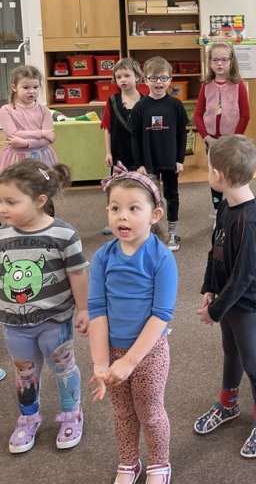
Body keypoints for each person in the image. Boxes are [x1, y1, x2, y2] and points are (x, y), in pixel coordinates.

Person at [89, 167, 177, 484]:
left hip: (148, 354)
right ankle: (129, 462)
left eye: (133, 208)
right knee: (122, 413)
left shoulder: (161, 258)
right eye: (115, 208)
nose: (122, 216)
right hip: (113, 351)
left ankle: (159, 464)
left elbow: (161, 315)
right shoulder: (103, 257)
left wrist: (129, 361)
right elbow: (97, 309)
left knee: (150, 413)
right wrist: (101, 364)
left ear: (155, 215)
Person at [194, 135, 256, 458]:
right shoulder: (227, 205)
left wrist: (214, 311)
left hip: (247, 304)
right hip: (225, 298)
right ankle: (228, 404)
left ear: (218, 175)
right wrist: (208, 289)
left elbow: (242, 278)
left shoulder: (249, 220)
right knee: (231, 352)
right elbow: (215, 251)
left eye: (209, 169)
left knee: (251, 359)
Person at [0, 160, 88, 454]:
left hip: (54, 320)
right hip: (14, 324)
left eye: (11, 202)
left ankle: (71, 413)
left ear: (40, 201)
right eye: (0, 201)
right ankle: (28, 417)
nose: (3, 208)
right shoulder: (2, 236)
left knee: (63, 368)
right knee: (24, 373)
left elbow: (77, 274)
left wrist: (84, 309)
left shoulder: (64, 235)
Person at [129, 57, 188, 252]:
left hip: (170, 161)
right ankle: (151, 232)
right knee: (149, 197)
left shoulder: (176, 105)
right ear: (145, 80)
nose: (158, 82)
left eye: (163, 78)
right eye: (153, 78)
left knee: (172, 195)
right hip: (148, 162)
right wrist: (139, 163)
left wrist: (179, 159)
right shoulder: (140, 107)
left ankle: (172, 233)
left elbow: (182, 134)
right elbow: (135, 137)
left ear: (170, 80)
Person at [193, 41, 250, 219]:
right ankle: (218, 212)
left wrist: (235, 138)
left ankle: (236, 208)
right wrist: (207, 137)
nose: (219, 63)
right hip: (212, 141)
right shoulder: (206, 85)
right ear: (209, 62)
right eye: (215, 60)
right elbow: (197, 115)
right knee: (216, 176)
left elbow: (245, 115)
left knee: (233, 175)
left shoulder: (238, 85)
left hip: (232, 141)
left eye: (224, 60)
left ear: (231, 61)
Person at [100, 57, 145, 236]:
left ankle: (141, 219)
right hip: (119, 152)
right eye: (118, 77)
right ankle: (116, 220)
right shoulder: (112, 101)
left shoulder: (145, 100)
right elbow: (107, 128)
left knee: (140, 188)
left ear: (137, 77)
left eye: (127, 75)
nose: (123, 80)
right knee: (117, 189)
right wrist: (108, 152)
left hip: (140, 154)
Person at [0, 65, 58, 170]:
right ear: (14, 87)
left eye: (35, 87)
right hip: (16, 158)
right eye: (26, 87)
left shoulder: (44, 110)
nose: (31, 91)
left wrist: (27, 143)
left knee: (42, 180)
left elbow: (49, 138)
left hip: (42, 157)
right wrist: (42, 133)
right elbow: (14, 134)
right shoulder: (6, 110)